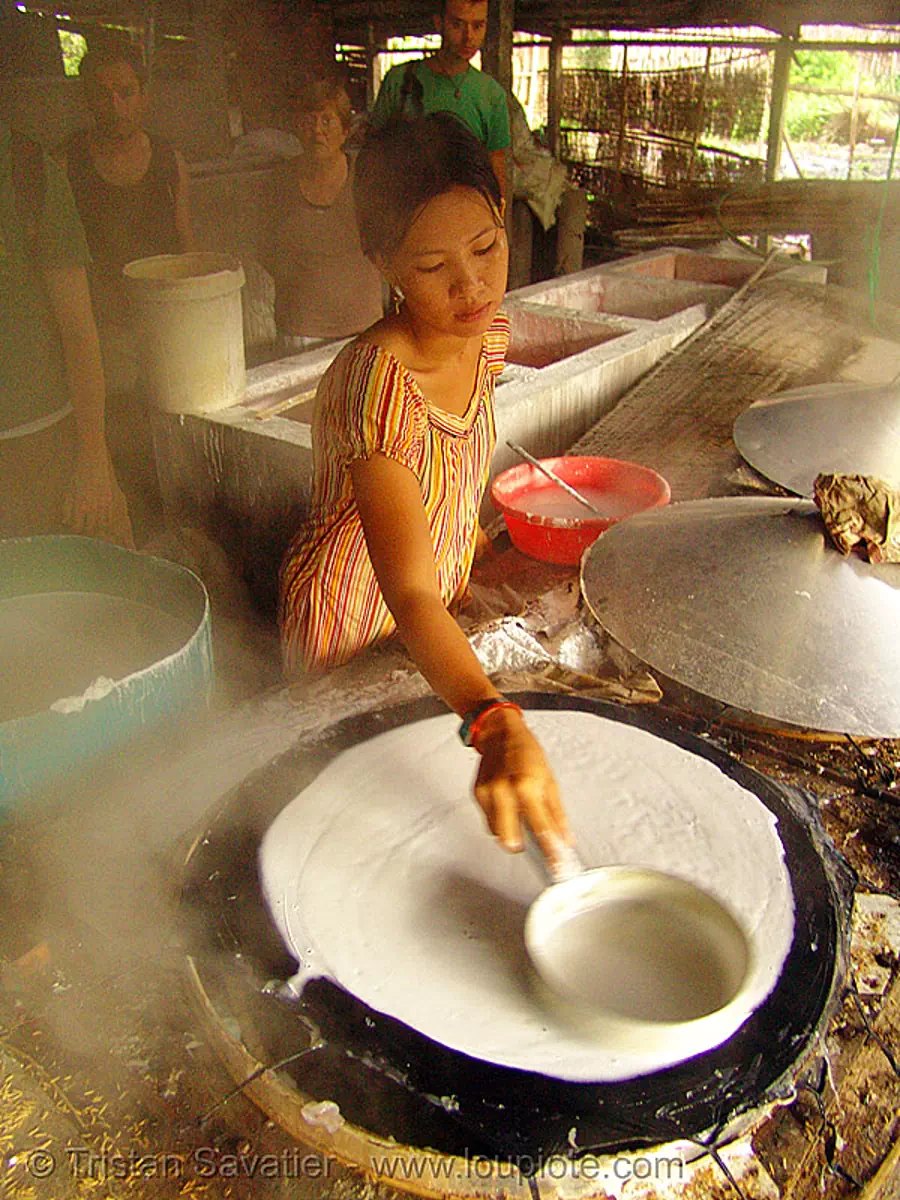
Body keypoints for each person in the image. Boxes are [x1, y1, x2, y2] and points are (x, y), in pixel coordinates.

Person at [279, 114, 568, 865]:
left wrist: (463, 533)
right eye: (434, 266)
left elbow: (452, 457)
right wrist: (495, 720)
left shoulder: (487, 335)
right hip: (350, 626)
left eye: (485, 248)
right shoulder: (377, 384)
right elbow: (405, 593)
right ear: (382, 261)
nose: (471, 285)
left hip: (430, 613)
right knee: (356, 818)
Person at [60, 38, 193, 541]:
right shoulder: (65, 162)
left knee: (165, 452)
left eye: (125, 91)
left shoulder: (167, 162)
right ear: (86, 99)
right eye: (102, 94)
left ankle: (173, 541)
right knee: (111, 453)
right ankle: (125, 549)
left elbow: (188, 251)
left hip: (160, 337)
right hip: (94, 338)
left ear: (144, 96)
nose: (114, 105)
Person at [0, 119, 132, 545]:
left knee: (70, 590)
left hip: (43, 448)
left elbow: (79, 330)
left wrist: (94, 459)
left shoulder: (26, 171)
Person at [261, 78, 384, 354]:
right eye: (308, 121)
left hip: (364, 326)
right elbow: (266, 249)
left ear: (345, 131)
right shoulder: (280, 183)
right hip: (301, 330)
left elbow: (386, 242)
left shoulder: (365, 178)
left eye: (327, 121)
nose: (317, 131)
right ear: (296, 127)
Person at [370, 0, 510, 200]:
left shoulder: (491, 95)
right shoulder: (401, 81)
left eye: (478, 26)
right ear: (439, 23)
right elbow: (375, 154)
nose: (468, 37)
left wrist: (497, 224)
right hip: (406, 210)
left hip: (466, 216)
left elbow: (496, 169)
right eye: (457, 24)